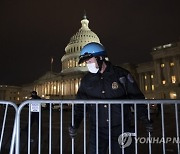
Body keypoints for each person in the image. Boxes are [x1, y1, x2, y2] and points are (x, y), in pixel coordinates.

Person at [69, 42, 153, 154]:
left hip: (121, 127)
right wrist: (75, 123)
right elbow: (80, 105)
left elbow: (136, 99)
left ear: (100, 57)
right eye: (86, 62)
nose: (87, 64)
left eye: (89, 61)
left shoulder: (121, 75)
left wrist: (145, 119)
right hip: (97, 129)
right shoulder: (86, 81)